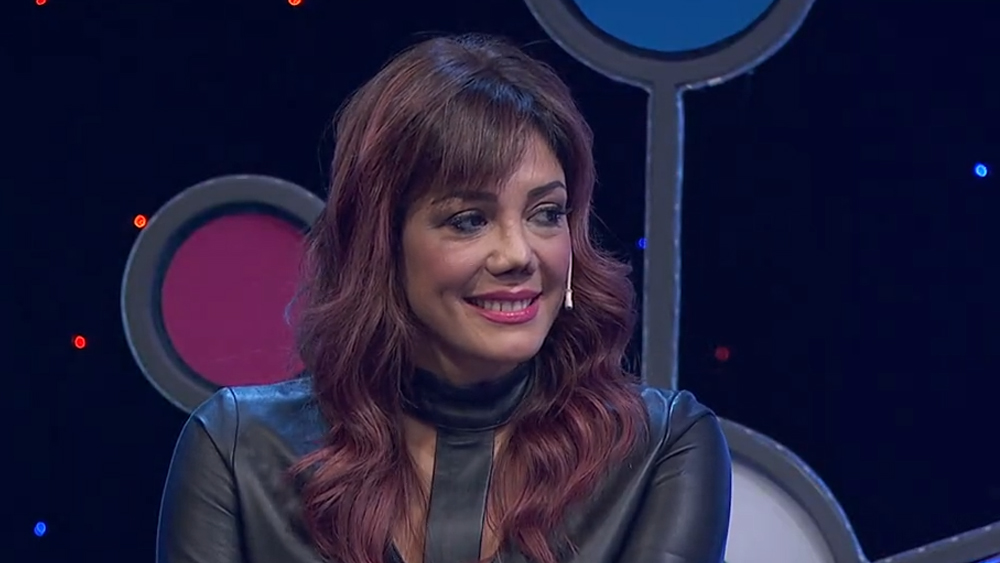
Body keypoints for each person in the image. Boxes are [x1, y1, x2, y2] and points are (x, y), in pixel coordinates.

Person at [156, 34, 731, 563]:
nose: (518, 254)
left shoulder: (658, 449)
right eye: (469, 220)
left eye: (546, 213)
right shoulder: (239, 452)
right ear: (383, 242)